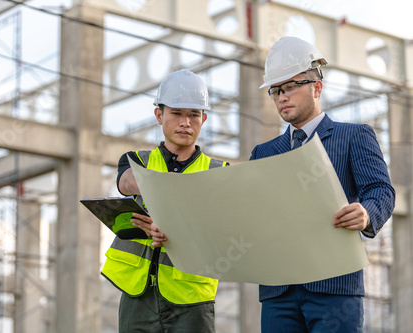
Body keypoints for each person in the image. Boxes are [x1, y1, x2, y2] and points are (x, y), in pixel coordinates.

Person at [250, 36, 395, 332]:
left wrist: (366, 213)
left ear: (317, 87)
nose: (281, 97)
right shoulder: (262, 154)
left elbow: (381, 190)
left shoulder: (354, 136)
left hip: (335, 287)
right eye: (276, 90)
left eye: (289, 86)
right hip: (279, 290)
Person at [101, 69, 229, 333]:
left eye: (194, 114)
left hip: (191, 298)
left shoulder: (219, 172)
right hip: (138, 293)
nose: (186, 122)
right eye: (177, 113)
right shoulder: (137, 161)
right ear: (159, 115)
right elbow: (127, 183)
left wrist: (174, 229)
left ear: (203, 119)